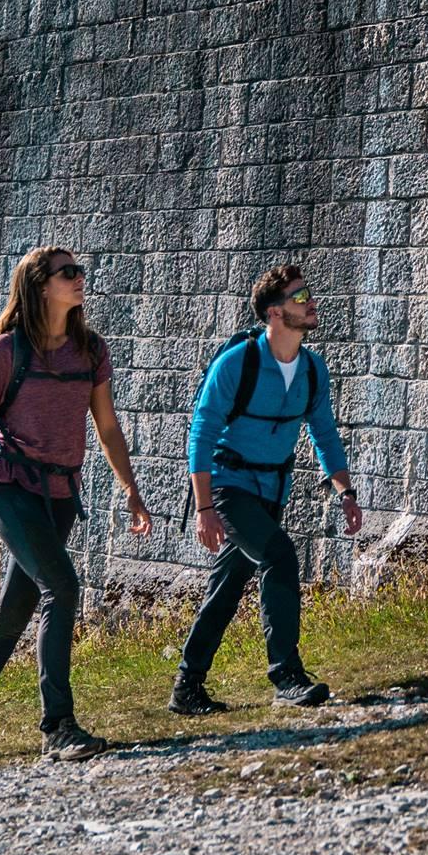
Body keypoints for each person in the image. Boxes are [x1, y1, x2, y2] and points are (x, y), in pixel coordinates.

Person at [0, 246, 154, 763]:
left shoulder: (90, 350)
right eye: (68, 273)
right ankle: (58, 726)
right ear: (41, 286)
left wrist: (130, 488)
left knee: (14, 614)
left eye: (80, 271)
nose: (81, 279)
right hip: (10, 488)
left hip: (60, 496)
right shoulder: (8, 351)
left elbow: (106, 427)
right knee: (62, 586)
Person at [169, 262, 363, 713]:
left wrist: (345, 492)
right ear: (275, 313)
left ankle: (187, 686)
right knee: (279, 555)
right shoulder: (238, 363)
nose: (310, 302)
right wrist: (203, 509)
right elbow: (201, 432)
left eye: (308, 294)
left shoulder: (313, 369)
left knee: (229, 583)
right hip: (226, 486)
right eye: (300, 297)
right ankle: (286, 675)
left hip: (271, 490)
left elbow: (324, 434)